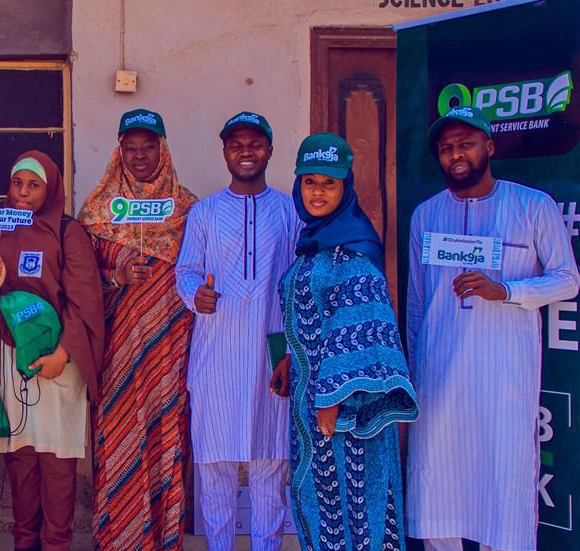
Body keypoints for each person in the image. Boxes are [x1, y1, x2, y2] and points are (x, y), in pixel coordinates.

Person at [405, 107, 580, 551]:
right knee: (437, 487)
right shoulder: (426, 216)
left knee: (503, 487)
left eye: (466, 144)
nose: (456, 155)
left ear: (490, 147)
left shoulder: (531, 205)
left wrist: (504, 290)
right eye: (447, 149)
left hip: (504, 378)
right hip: (439, 378)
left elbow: (568, 278)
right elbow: (419, 303)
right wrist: (411, 374)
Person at [273, 132, 419, 551]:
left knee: (353, 502)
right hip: (309, 396)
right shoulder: (313, 243)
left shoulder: (355, 247)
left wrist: (332, 398)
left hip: (343, 409)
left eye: (329, 183)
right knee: (319, 502)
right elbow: (305, 312)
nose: (318, 192)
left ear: (345, 186)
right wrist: (286, 356)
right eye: (309, 181)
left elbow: (360, 325)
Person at [0, 151, 104, 551]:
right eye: (16, 184)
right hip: (13, 360)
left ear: (51, 188)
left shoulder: (67, 232)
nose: (23, 193)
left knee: (57, 462)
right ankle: (24, 542)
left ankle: (56, 543)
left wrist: (62, 355)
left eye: (34, 185)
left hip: (60, 362)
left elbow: (84, 299)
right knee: (22, 459)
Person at [175, 112, 299, 551]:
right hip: (217, 353)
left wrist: (293, 350)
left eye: (255, 143)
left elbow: (301, 278)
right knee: (215, 466)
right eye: (236, 144)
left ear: (270, 149)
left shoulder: (289, 209)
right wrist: (196, 297)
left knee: (270, 465)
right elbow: (186, 271)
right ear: (224, 152)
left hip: (273, 351)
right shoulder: (205, 212)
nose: (246, 151)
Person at [79, 108, 198, 550]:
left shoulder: (188, 209)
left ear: (163, 150)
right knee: (122, 434)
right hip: (117, 351)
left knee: (164, 436)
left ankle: (164, 538)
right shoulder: (96, 210)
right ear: (119, 151)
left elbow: (203, 271)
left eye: (149, 146)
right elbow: (78, 278)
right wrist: (115, 277)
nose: (140, 155)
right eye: (131, 147)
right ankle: (120, 538)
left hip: (169, 350)